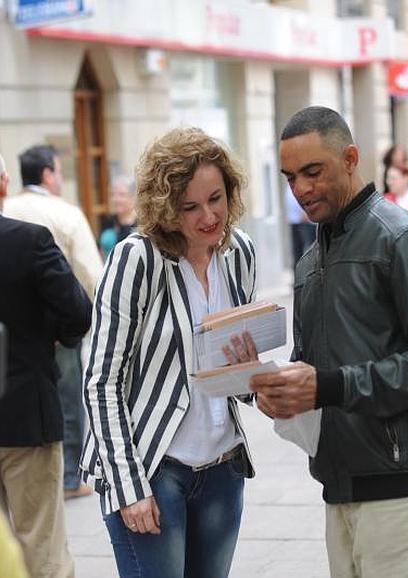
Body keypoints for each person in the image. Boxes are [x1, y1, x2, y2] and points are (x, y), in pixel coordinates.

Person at [250, 106, 408, 578]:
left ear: (350, 158)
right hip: (341, 487)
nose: (301, 189)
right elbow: (312, 368)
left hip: (407, 488)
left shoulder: (405, 239)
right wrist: (271, 388)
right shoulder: (309, 262)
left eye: (313, 172)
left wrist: (328, 386)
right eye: (290, 178)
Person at [80, 127, 257, 578]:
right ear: (164, 206)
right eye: (190, 206)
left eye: (216, 198)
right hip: (152, 472)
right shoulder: (137, 259)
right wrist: (127, 487)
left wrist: (252, 373)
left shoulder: (239, 253)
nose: (208, 217)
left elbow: (233, 372)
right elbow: (102, 381)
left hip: (222, 468)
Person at [0, 153, 92, 578]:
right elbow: (78, 311)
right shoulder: (29, 241)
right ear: (3, 184)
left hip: (25, 414)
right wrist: (52, 335)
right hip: (26, 415)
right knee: (43, 549)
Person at [4, 144, 103, 499]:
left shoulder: (9, 209)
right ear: (47, 174)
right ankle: (71, 478)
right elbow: (91, 274)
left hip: (12, 334)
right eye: (59, 172)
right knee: (67, 397)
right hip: (52, 328)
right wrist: (80, 327)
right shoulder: (65, 214)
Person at [99, 175, 138, 259]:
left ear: (133, 197)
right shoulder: (108, 221)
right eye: (113, 194)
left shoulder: (141, 224)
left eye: (122, 195)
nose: (116, 199)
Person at [285, 182, 316, 265]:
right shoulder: (290, 184)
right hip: (294, 221)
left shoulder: (302, 183)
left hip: (304, 221)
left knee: (308, 248)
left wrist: (305, 212)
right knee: (296, 250)